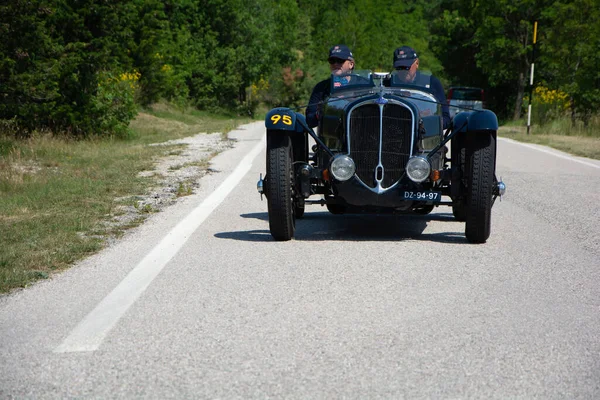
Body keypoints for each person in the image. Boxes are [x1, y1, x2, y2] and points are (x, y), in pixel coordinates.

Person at [392, 46, 451, 129]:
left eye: (406, 67)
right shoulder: (387, 85)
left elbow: (446, 118)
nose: (403, 71)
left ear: (417, 63)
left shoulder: (432, 83)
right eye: (399, 68)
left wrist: (429, 123)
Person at [305, 44, 356, 128]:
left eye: (340, 60)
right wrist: (319, 113)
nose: (335, 64)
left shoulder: (364, 84)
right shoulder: (321, 88)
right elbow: (309, 121)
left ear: (351, 64)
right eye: (332, 61)